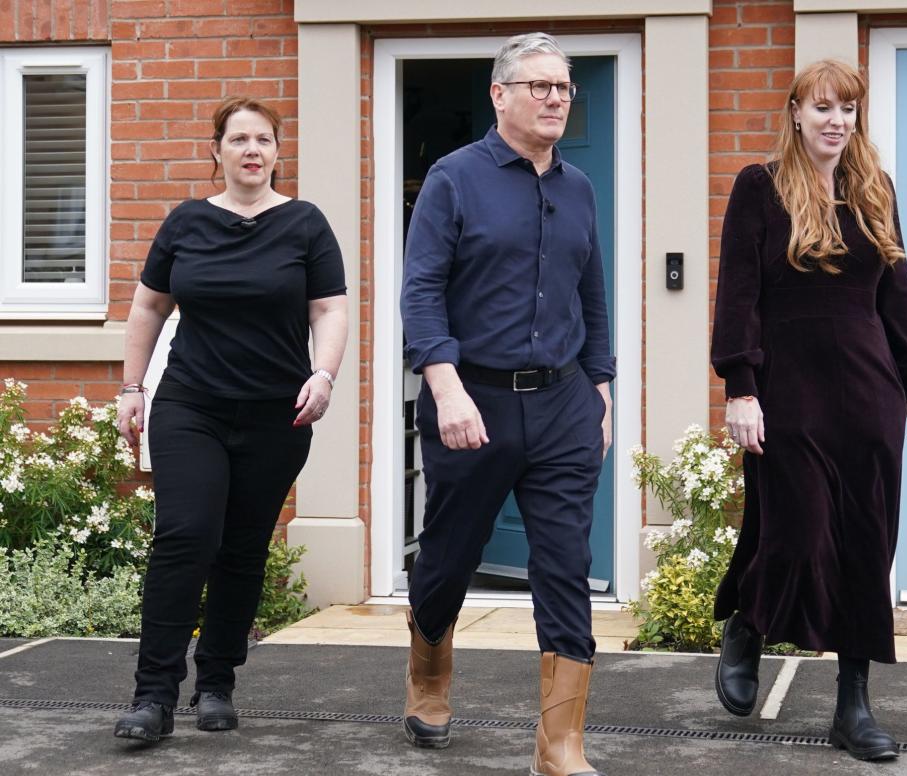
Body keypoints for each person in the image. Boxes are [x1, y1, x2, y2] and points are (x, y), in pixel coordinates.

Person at [710, 59, 907, 761]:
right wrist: (741, 387)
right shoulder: (761, 188)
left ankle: (853, 705)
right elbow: (738, 294)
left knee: (867, 547)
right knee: (798, 532)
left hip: (869, 394)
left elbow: (895, 297)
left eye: (848, 109)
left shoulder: (874, 190)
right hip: (791, 394)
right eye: (824, 107)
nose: (836, 121)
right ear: (796, 113)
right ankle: (749, 621)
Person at [400, 32, 613, 776]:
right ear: (501, 95)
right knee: (450, 556)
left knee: (564, 564)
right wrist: (446, 383)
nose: (556, 98)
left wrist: (602, 388)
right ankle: (428, 674)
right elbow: (421, 291)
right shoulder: (453, 180)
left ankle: (560, 746)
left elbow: (592, 294)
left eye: (564, 88)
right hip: (472, 400)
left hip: (561, 406)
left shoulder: (578, 189)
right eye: (540, 86)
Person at [112, 96, 348, 743]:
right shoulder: (186, 222)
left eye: (263, 139)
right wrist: (132, 387)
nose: (251, 149)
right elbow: (148, 308)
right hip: (192, 404)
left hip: (277, 414)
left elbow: (329, 310)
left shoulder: (305, 225)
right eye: (238, 138)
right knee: (186, 536)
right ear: (215, 152)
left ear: (277, 151)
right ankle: (153, 696)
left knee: (243, 551)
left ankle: (215, 683)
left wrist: (322, 374)